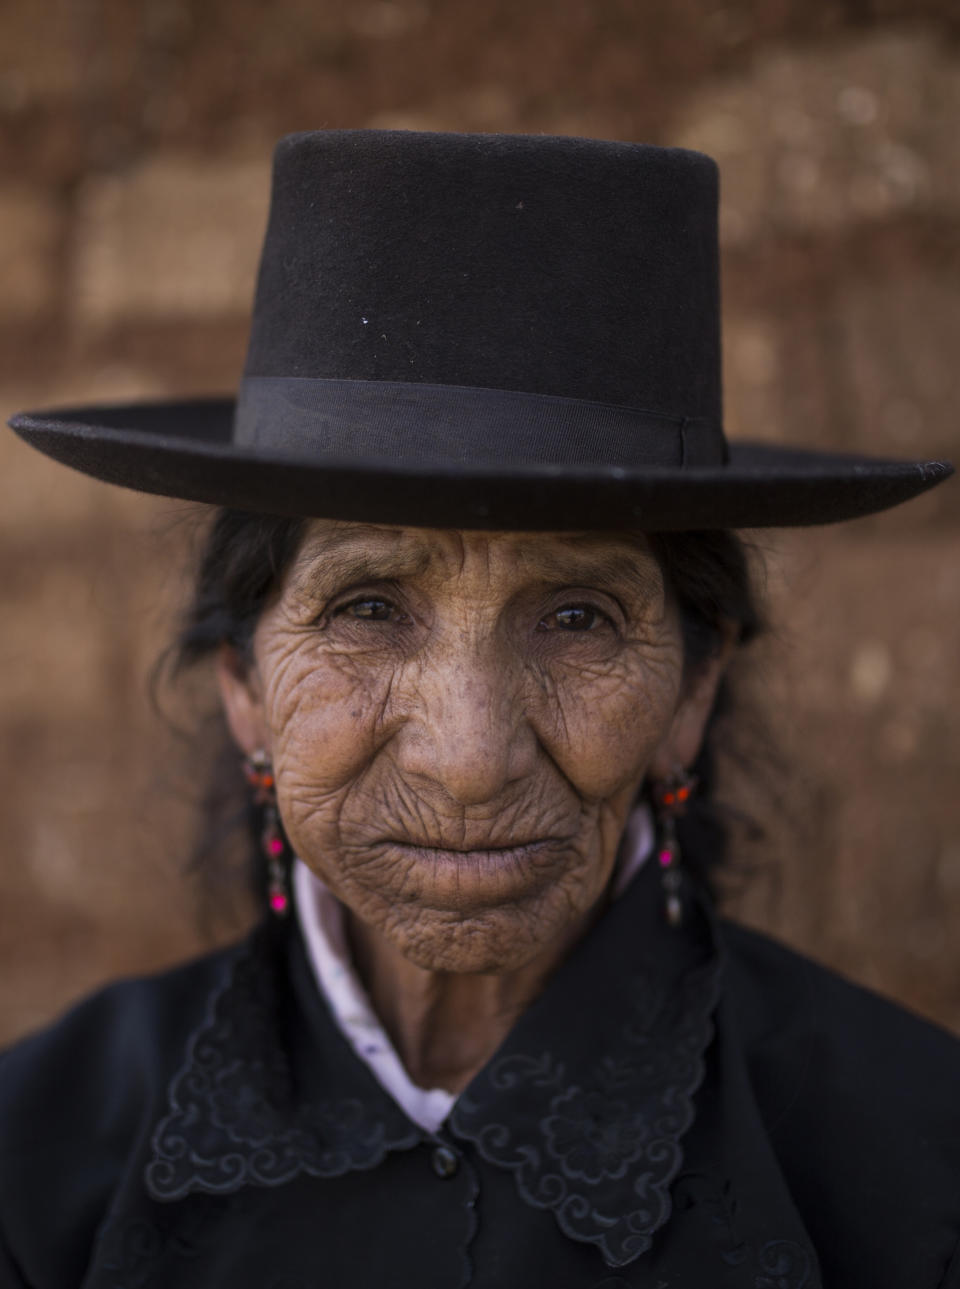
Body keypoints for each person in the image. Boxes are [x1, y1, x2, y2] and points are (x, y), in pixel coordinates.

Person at [1, 130, 958, 1289]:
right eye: (366, 605)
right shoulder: (35, 1160)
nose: (469, 758)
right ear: (244, 688)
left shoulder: (918, 1166)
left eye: (576, 618)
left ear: (691, 692)